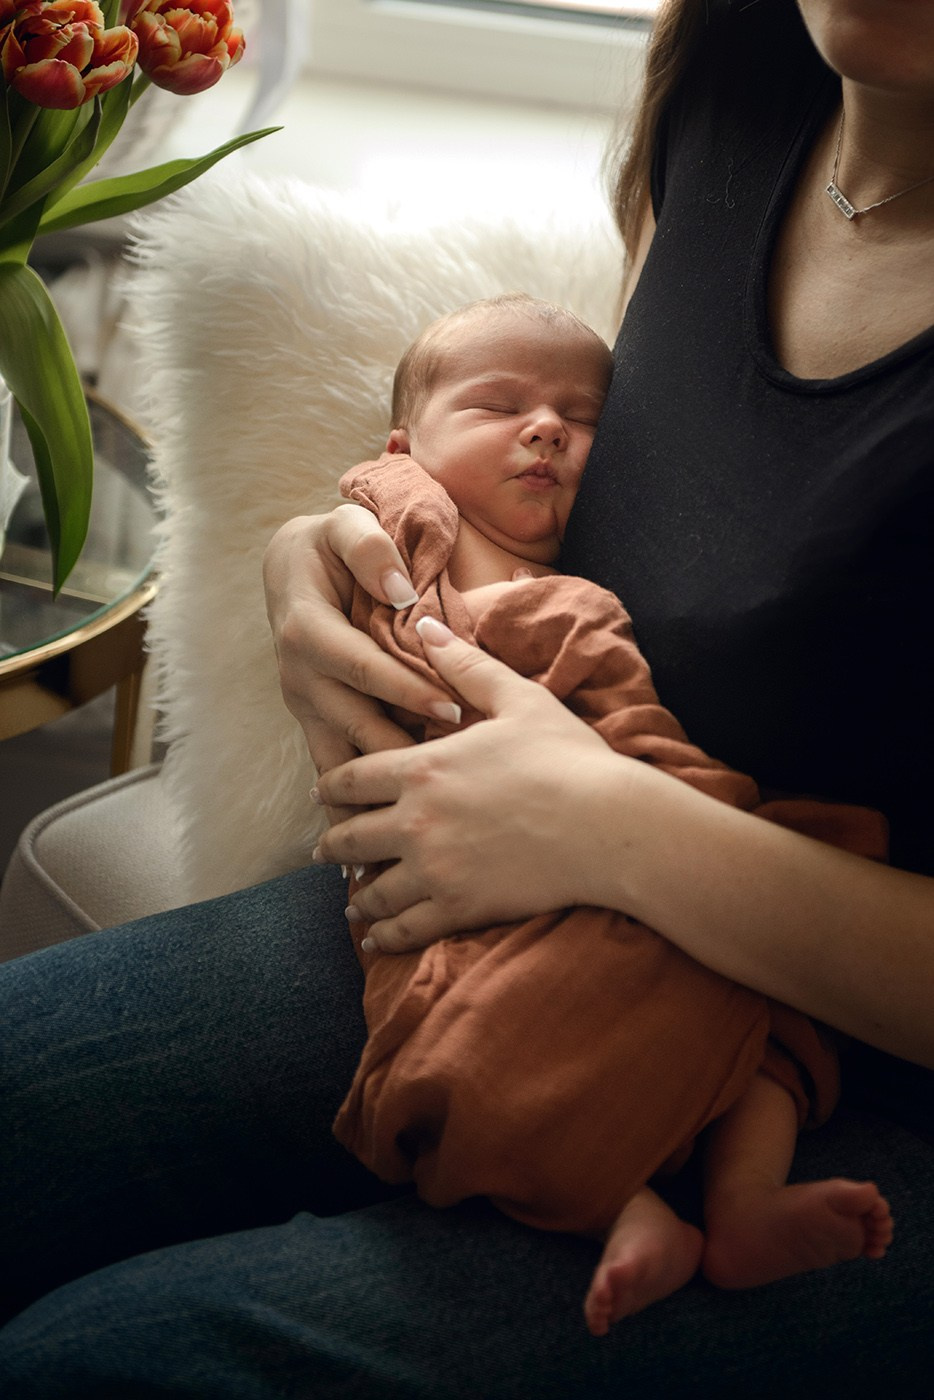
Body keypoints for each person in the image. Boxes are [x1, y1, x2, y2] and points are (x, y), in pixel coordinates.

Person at [0, 0, 932, 1394]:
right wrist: (317, 559)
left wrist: (611, 826)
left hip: (862, 1078)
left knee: (102, 1366)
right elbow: (674, 541)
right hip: (533, 912)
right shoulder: (741, 84)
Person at [331, 291, 892, 1334]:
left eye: (581, 417)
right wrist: (311, 551)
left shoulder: (610, 540)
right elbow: (374, 544)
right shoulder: (422, 522)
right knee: (472, 1053)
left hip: (687, 830)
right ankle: (622, 1211)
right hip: (483, 866)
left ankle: (742, 1203)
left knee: (775, 1024)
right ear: (408, 443)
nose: (544, 427)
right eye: (498, 404)